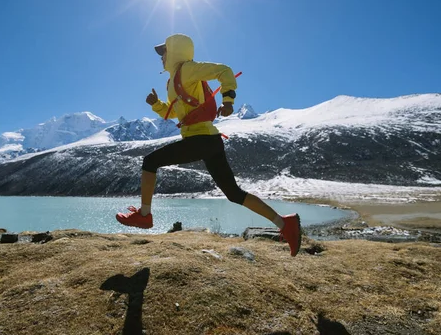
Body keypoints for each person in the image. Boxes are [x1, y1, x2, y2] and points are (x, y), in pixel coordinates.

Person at [115, 34, 302, 256]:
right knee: (234, 194)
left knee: (150, 162)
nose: (161, 57)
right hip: (208, 141)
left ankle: (145, 215)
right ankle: (285, 224)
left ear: (175, 51)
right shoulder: (172, 82)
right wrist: (157, 104)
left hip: (202, 139)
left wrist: (228, 100)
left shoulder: (188, 69)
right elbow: (175, 112)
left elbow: (224, 71)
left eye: (164, 52)